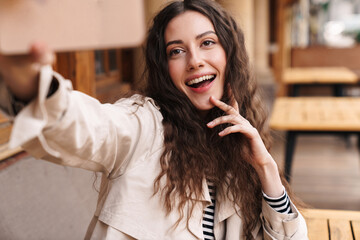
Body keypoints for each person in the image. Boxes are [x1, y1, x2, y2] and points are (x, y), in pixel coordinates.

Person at [0, 0, 308, 239]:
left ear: (230, 54)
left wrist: (266, 169)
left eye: (207, 43)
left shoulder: (238, 141)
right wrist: (31, 85)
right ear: (164, 67)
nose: (195, 60)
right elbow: (90, 127)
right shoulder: (143, 124)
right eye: (176, 51)